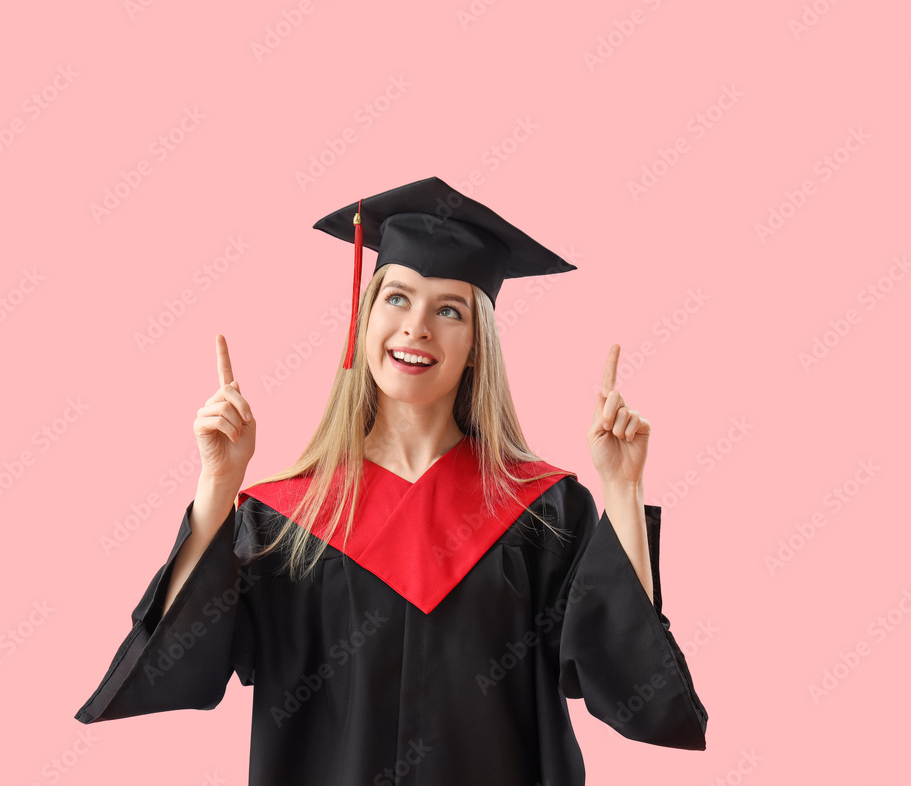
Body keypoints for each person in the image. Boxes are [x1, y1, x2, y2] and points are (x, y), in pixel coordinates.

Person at [75, 176, 708, 785]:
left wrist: (623, 491)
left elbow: (630, 686)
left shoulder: (544, 512)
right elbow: (181, 660)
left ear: (476, 345)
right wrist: (219, 483)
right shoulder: (283, 519)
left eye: (450, 310)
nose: (417, 327)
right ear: (365, 317)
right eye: (397, 297)